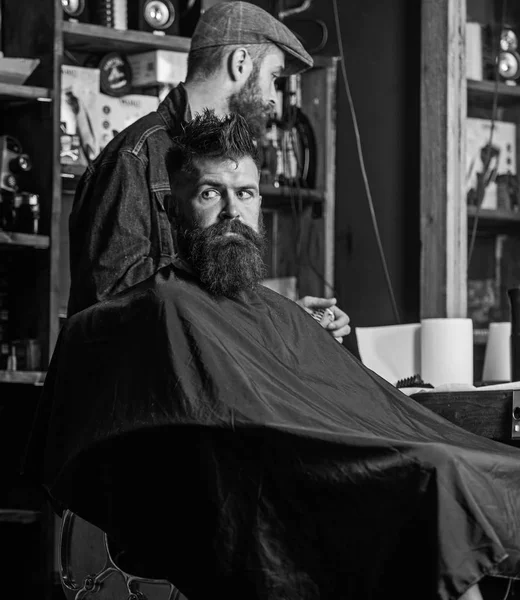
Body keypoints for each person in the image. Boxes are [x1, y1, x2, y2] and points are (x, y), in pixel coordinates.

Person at [26, 111, 520, 600]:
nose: (231, 212)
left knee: (487, 466)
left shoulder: (279, 312)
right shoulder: (163, 307)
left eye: (244, 194)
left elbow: (326, 401)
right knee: (439, 475)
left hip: (335, 464)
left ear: (260, 202)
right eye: (209, 193)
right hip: (279, 488)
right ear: (174, 211)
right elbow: (227, 416)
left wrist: (303, 336)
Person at [67, 0, 350, 342]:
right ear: (241, 63)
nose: (274, 98)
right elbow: (117, 305)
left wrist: (283, 318)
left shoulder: (220, 162)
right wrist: (275, 320)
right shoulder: (136, 157)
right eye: (273, 78)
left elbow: (204, 301)